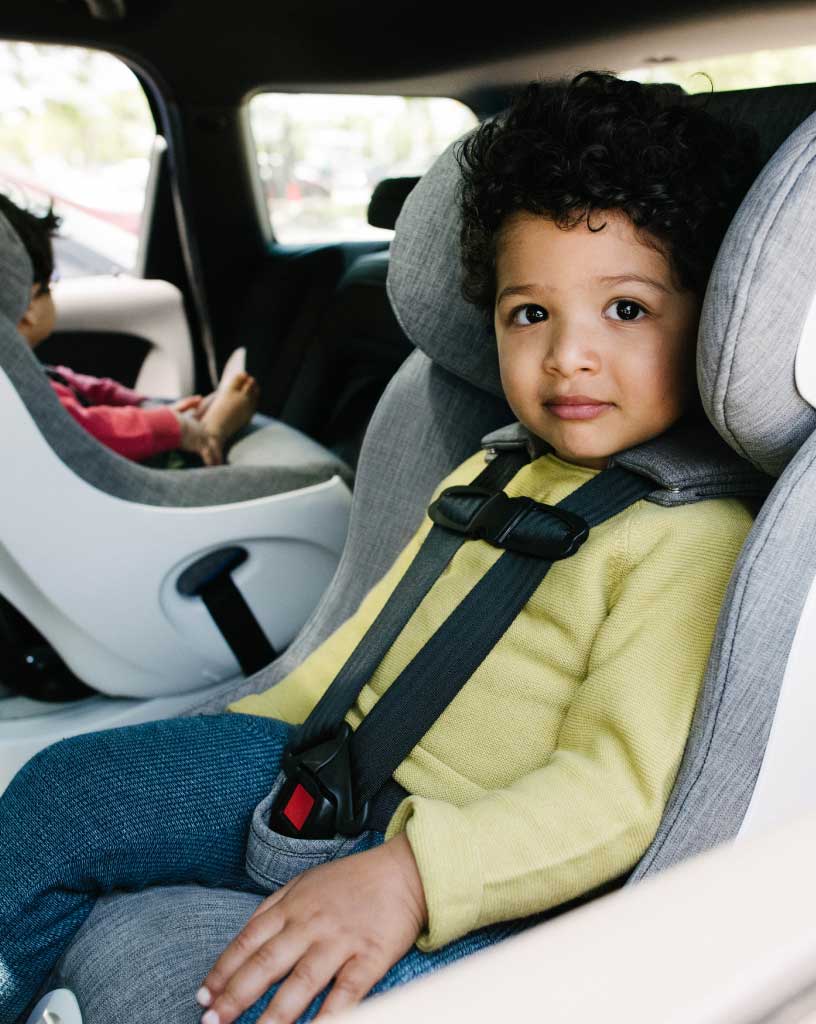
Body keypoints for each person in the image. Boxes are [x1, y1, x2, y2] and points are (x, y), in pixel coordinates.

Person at [0, 71, 759, 1024]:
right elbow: (366, 645)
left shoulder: (691, 537)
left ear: (712, 324)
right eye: (531, 313)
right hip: (330, 779)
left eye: (626, 311)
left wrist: (412, 878)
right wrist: (235, 734)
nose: (568, 354)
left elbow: (617, 791)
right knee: (61, 791)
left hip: (468, 869)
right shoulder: (489, 473)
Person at [0, 193, 259, 466]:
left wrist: (149, 407)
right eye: (51, 284)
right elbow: (85, 431)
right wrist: (177, 427)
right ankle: (208, 436)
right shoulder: (25, 399)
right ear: (28, 304)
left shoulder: (26, 378)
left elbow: (81, 386)